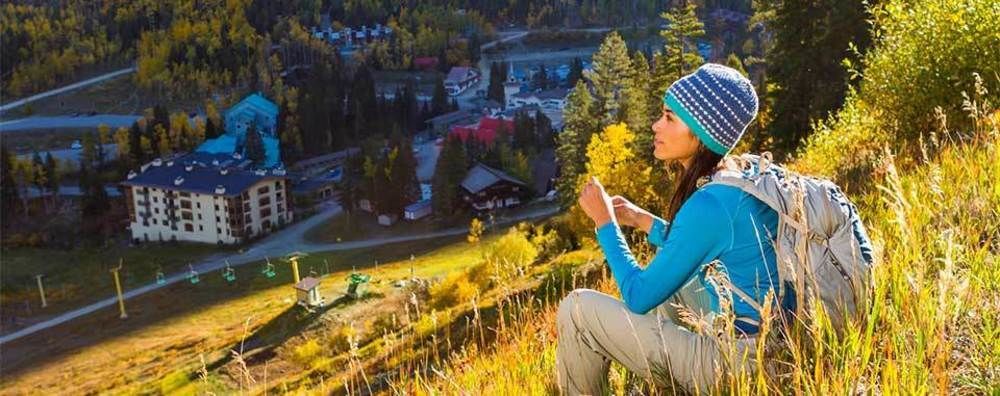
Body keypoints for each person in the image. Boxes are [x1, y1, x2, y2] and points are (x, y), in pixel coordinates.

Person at [557, 63, 789, 394]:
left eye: (669, 117)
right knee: (676, 281)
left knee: (577, 310)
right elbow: (694, 246)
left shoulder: (709, 205)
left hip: (736, 368)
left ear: (702, 132)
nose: (655, 125)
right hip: (765, 347)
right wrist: (642, 220)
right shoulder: (736, 180)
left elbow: (638, 297)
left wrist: (605, 224)